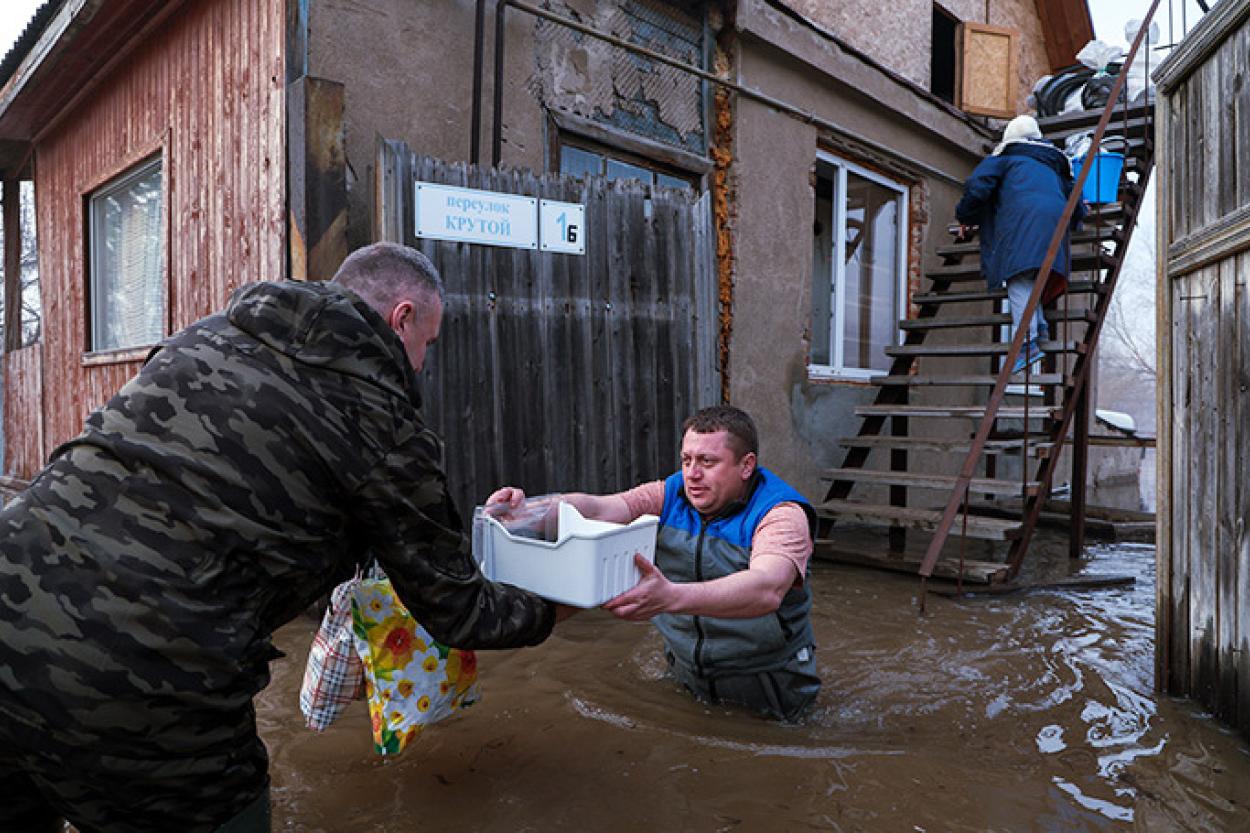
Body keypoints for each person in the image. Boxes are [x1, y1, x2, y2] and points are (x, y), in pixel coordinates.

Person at [0, 243, 570, 833]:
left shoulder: (200, 338)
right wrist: (563, 605)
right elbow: (457, 610)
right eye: (428, 341)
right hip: (147, 664)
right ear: (402, 318)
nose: (422, 364)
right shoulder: (382, 422)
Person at [489, 405, 819, 722]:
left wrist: (670, 597)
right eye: (686, 460)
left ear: (746, 466)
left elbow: (766, 589)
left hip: (769, 683)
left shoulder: (781, 514)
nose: (692, 474)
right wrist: (529, 511)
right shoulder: (670, 494)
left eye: (708, 461)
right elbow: (601, 507)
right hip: (687, 673)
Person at [955, 114, 1087, 374]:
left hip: (1022, 222)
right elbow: (1077, 200)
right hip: (1055, 224)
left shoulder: (1005, 158)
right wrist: (1078, 218)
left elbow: (978, 186)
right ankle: (1039, 326)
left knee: (1019, 277)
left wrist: (965, 216)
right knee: (1032, 273)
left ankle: (1026, 344)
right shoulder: (1054, 166)